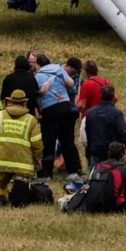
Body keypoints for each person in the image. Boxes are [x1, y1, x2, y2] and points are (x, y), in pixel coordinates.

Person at [0, 89, 43, 206]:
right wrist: (38, 159)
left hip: (1, 160)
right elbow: (37, 143)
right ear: (24, 103)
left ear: (10, 102)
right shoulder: (31, 120)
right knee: (20, 191)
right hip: (22, 164)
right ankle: (18, 192)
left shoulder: (0, 116)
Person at [33, 51, 81, 180]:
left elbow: (37, 94)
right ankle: (73, 172)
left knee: (48, 141)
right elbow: (71, 84)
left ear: (37, 64)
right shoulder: (59, 69)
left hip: (50, 109)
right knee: (67, 140)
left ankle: (46, 173)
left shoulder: (37, 76)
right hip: (65, 106)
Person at [85, 84, 126, 168]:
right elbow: (124, 132)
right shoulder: (116, 113)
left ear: (100, 95)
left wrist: (88, 152)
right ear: (114, 96)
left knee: (95, 176)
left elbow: (88, 134)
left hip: (95, 149)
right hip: (112, 151)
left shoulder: (90, 113)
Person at [0, 54, 40, 118]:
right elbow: (36, 97)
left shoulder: (8, 78)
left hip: (11, 113)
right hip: (28, 113)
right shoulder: (31, 78)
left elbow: (3, 97)